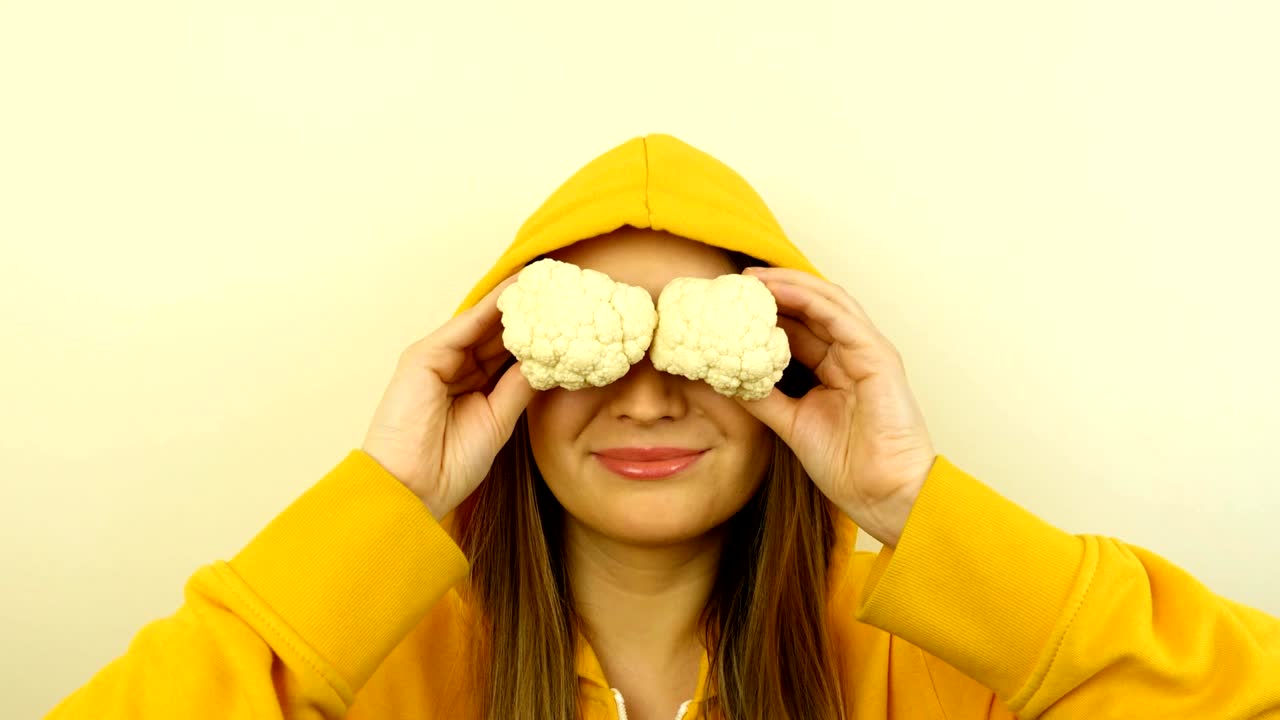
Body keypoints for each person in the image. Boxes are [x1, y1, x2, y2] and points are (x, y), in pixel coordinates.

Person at [45, 135, 1280, 720]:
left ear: (791, 363)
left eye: (691, 336)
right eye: (591, 344)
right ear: (499, 371)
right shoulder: (375, 669)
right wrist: (383, 503)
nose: (644, 394)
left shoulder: (943, 663)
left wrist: (910, 500)